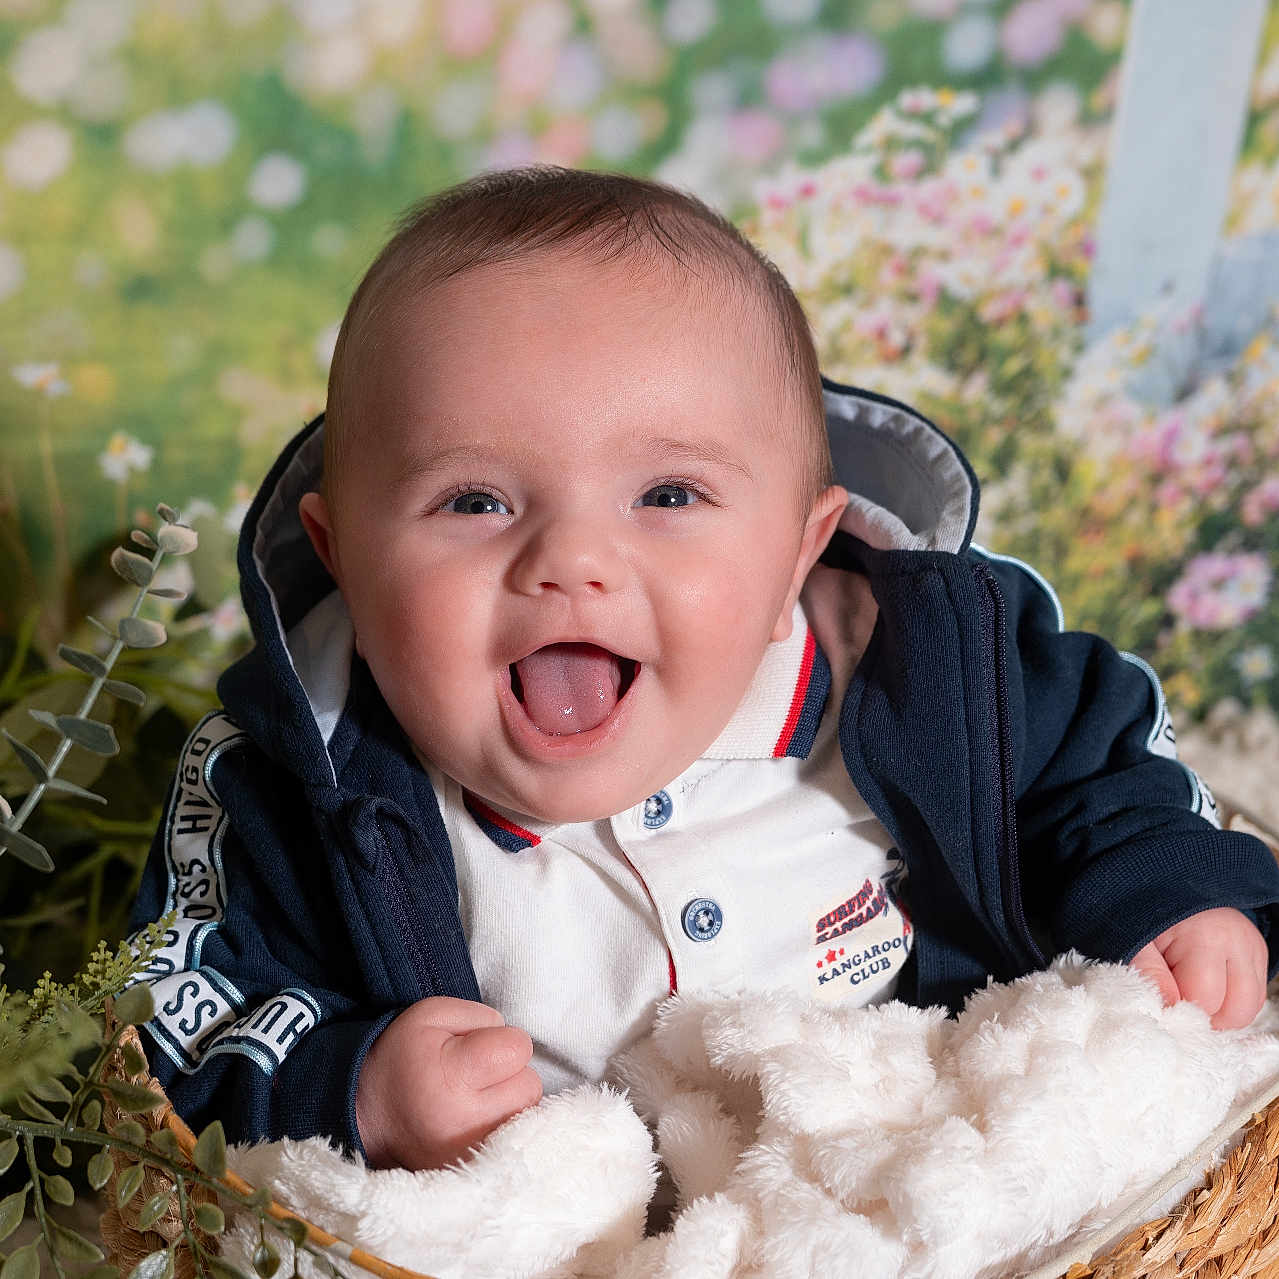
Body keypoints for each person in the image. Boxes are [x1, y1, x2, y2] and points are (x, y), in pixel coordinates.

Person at [130, 166, 1279, 1175]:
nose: (571, 561)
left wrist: (1170, 898)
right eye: (473, 500)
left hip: (935, 1166)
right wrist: (355, 1088)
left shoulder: (926, 667)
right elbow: (177, 1012)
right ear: (346, 557)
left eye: (667, 496)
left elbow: (1107, 772)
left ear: (795, 548)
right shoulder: (289, 784)